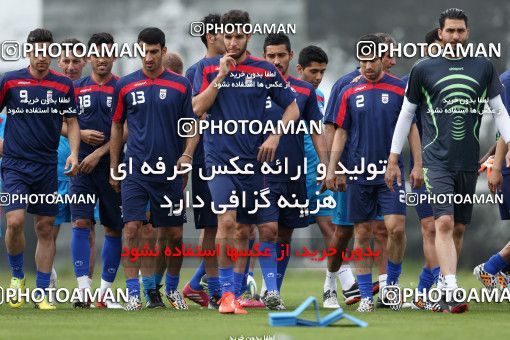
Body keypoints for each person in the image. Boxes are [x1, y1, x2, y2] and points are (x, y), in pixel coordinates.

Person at [387, 8, 510, 313]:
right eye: (450, 31)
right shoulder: (423, 69)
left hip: (467, 162)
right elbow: (406, 115)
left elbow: (499, 112)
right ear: (440, 33)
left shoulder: (483, 67)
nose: (455, 36)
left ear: (468, 33)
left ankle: (444, 285)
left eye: (461, 31)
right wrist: (393, 158)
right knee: (443, 220)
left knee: (458, 229)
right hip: (435, 160)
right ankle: (452, 287)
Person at [192, 10, 299, 314]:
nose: (233, 42)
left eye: (239, 36)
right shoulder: (207, 68)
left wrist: (275, 135)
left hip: (253, 162)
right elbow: (197, 107)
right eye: (228, 36)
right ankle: (226, 296)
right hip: (219, 160)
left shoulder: (264, 70)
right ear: (220, 37)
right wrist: (222, 75)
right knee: (226, 222)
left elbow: (292, 108)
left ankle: (250, 292)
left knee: (258, 230)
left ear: (248, 36)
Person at [326, 34, 422, 312]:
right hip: (357, 172)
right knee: (362, 233)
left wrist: (418, 164)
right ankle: (367, 295)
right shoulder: (348, 90)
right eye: (363, 59)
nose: (367, 65)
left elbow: (412, 129)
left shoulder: (401, 88)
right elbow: (341, 132)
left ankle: (390, 287)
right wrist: (332, 169)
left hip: (390, 173)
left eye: (372, 59)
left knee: (396, 228)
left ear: (383, 59)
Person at [110, 27, 200, 311]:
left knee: (173, 235)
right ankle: (134, 293)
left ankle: (171, 290)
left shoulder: (181, 85)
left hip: (170, 172)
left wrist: (187, 154)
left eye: (153, 51)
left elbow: (192, 126)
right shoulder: (125, 85)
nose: (147, 57)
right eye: (143, 51)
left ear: (163, 51)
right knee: (132, 229)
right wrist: (114, 166)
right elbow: (116, 126)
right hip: (135, 170)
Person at [0, 28, 80, 309]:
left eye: (47, 52)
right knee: (15, 222)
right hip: (15, 166)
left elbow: (71, 121)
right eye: (37, 51)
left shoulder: (62, 85)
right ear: (28, 52)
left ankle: (43, 293)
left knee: (46, 228)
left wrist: (73, 152)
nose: (42, 57)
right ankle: (18, 277)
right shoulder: (9, 81)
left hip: (46, 167)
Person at [261, 34, 328, 310]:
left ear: (291, 56)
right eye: (271, 56)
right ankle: (265, 290)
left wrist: (325, 165)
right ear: (264, 57)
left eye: (281, 55)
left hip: (293, 173)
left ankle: (272, 289)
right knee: (266, 230)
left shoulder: (304, 91)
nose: (276, 61)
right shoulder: (254, 86)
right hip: (261, 172)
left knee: (286, 234)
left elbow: (316, 130)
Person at [296, 45, 360, 308]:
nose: (318, 77)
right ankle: (263, 289)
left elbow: (325, 132)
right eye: (313, 71)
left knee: (331, 227)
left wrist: (327, 165)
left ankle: (343, 283)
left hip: (316, 169)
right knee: (275, 231)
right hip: (287, 171)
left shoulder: (320, 96)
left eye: (322, 72)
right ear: (299, 69)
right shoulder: (283, 94)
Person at [70, 32, 123, 309]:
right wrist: (78, 132)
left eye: (107, 53)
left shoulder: (123, 87)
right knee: (80, 223)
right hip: (82, 169)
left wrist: (100, 152)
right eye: (97, 54)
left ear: (114, 56)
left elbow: (126, 129)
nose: (102, 59)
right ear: (89, 57)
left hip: (113, 168)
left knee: (114, 228)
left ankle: (104, 293)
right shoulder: (76, 88)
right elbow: (63, 123)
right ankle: (82, 290)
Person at [181, 13, 225, 310]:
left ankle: (230, 287)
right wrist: (186, 155)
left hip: (241, 156)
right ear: (211, 37)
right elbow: (193, 115)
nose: (232, 40)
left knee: (241, 224)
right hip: (206, 158)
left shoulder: (244, 69)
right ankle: (217, 289)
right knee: (211, 226)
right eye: (227, 34)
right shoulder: (198, 71)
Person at [401, 28, 442, 310]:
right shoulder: (409, 82)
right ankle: (438, 289)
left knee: (453, 229)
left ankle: (424, 291)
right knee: (429, 227)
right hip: (421, 168)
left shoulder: (461, 82)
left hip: (453, 167)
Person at [53, 38, 97, 299]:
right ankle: (48, 282)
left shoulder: (91, 89)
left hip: (85, 167)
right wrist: (77, 131)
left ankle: (86, 290)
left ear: (85, 61)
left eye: (76, 61)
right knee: (49, 226)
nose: (70, 66)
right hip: (56, 166)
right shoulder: (51, 89)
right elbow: (44, 121)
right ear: (59, 62)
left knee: (86, 225)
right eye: (66, 61)